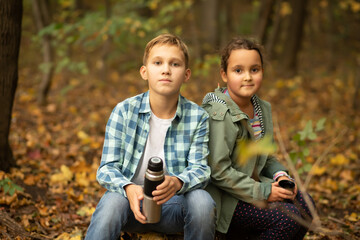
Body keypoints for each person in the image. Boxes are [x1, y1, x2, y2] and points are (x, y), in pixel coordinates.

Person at [85, 34, 216, 240]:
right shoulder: (124, 111)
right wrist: (128, 188)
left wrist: (177, 182)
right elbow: (106, 168)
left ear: (186, 74)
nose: (166, 69)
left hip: (173, 207)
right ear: (144, 72)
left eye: (175, 64)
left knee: (202, 201)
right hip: (130, 205)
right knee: (111, 203)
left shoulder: (197, 117)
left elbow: (201, 169)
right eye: (158, 63)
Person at [202, 37, 314, 239]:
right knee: (288, 217)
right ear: (224, 75)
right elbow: (218, 171)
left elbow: (267, 156)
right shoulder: (220, 113)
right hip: (227, 199)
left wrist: (281, 175)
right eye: (238, 70)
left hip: (253, 188)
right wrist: (264, 192)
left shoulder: (262, 108)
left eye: (254, 69)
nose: (247, 77)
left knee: (306, 206)